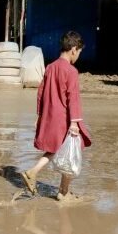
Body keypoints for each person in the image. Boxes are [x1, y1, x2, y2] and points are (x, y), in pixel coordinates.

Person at [20, 31, 92, 202]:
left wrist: (39, 114)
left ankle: (61, 189)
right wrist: (74, 122)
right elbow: (73, 97)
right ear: (74, 49)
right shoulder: (71, 71)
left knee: (56, 150)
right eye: (79, 52)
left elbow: (41, 93)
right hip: (65, 119)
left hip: (51, 115)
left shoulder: (50, 67)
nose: (79, 56)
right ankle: (37, 175)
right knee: (71, 152)